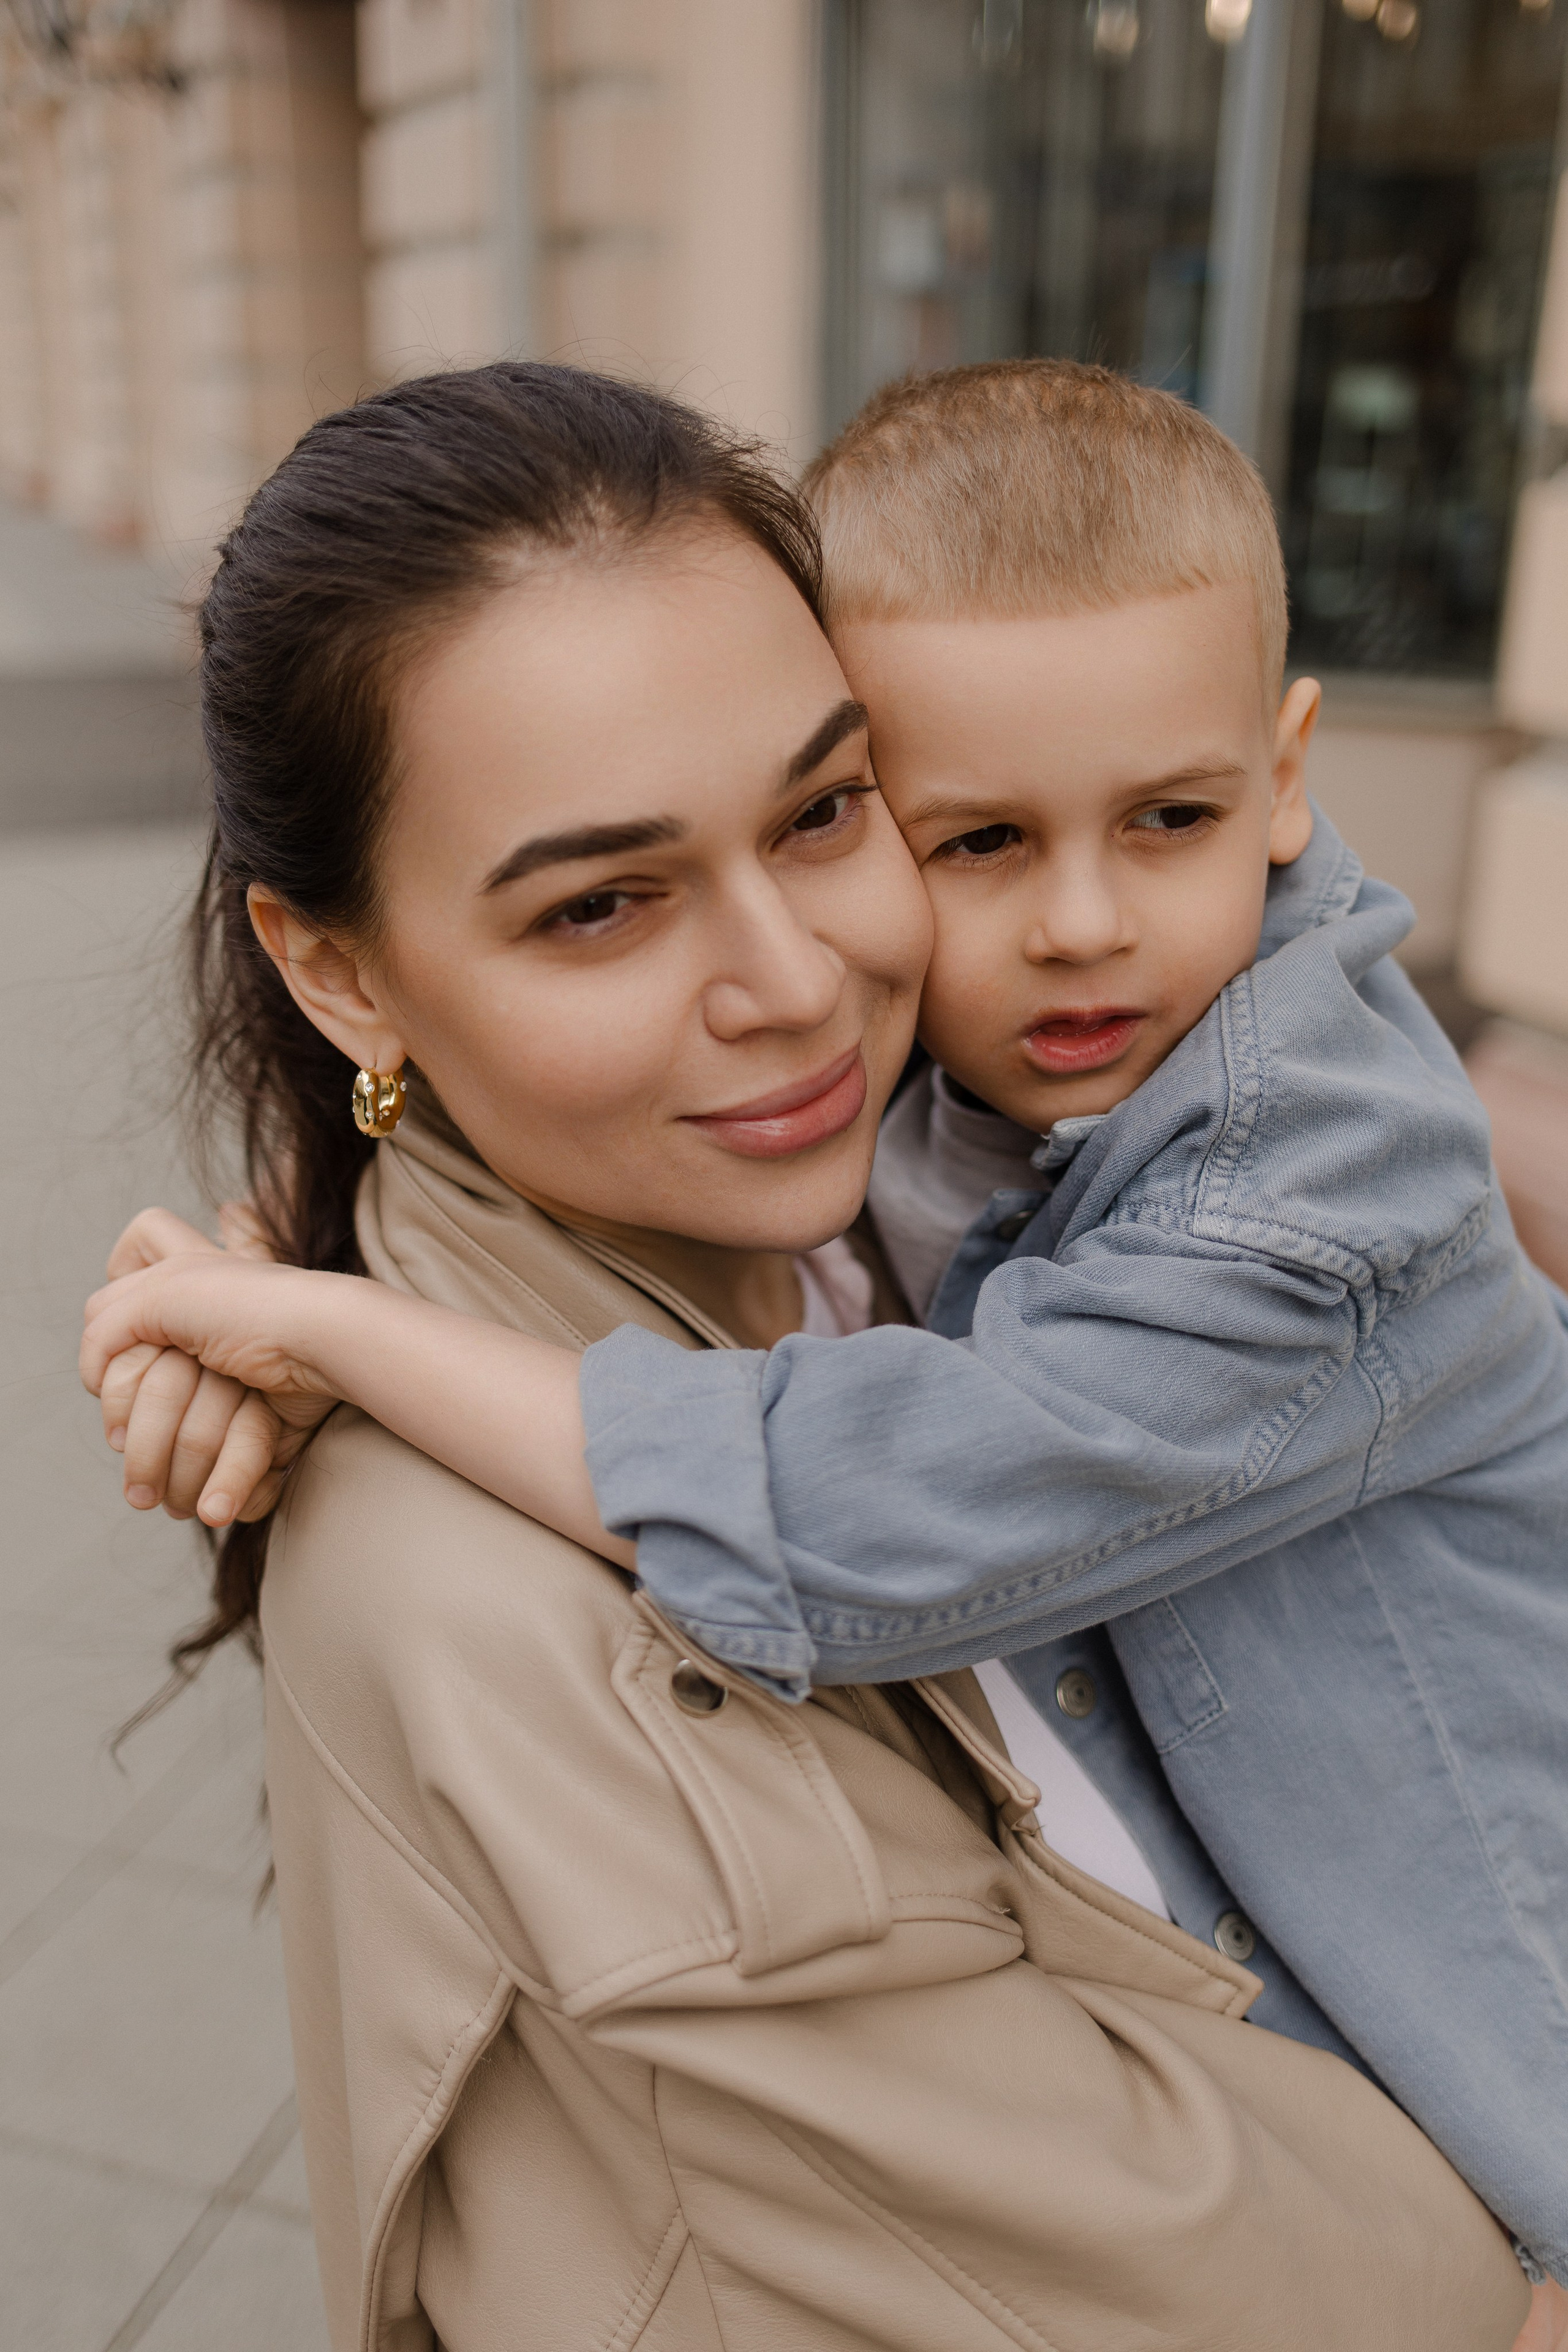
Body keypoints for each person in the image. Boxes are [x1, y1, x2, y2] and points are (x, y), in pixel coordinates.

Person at [78, 360, 1536, 2352]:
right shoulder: (525, 1628)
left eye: (829, 810)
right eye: (601, 904)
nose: (798, 987)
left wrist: (310, 1279)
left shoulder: (880, 1172)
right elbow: (1320, 2290)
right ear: (334, 971)